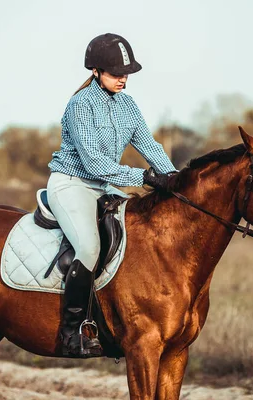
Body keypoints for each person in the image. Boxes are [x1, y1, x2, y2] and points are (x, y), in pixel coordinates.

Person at [47, 33, 176, 357]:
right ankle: (71, 331)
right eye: (116, 72)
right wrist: (144, 177)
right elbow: (95, 163)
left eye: (126, 72)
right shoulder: (80, 105)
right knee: (89, 247)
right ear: (95, 71)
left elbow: (149, 146)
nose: (123, 78)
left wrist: (174, 179)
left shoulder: (128, 105)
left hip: (104, 188)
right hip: (72, 183)